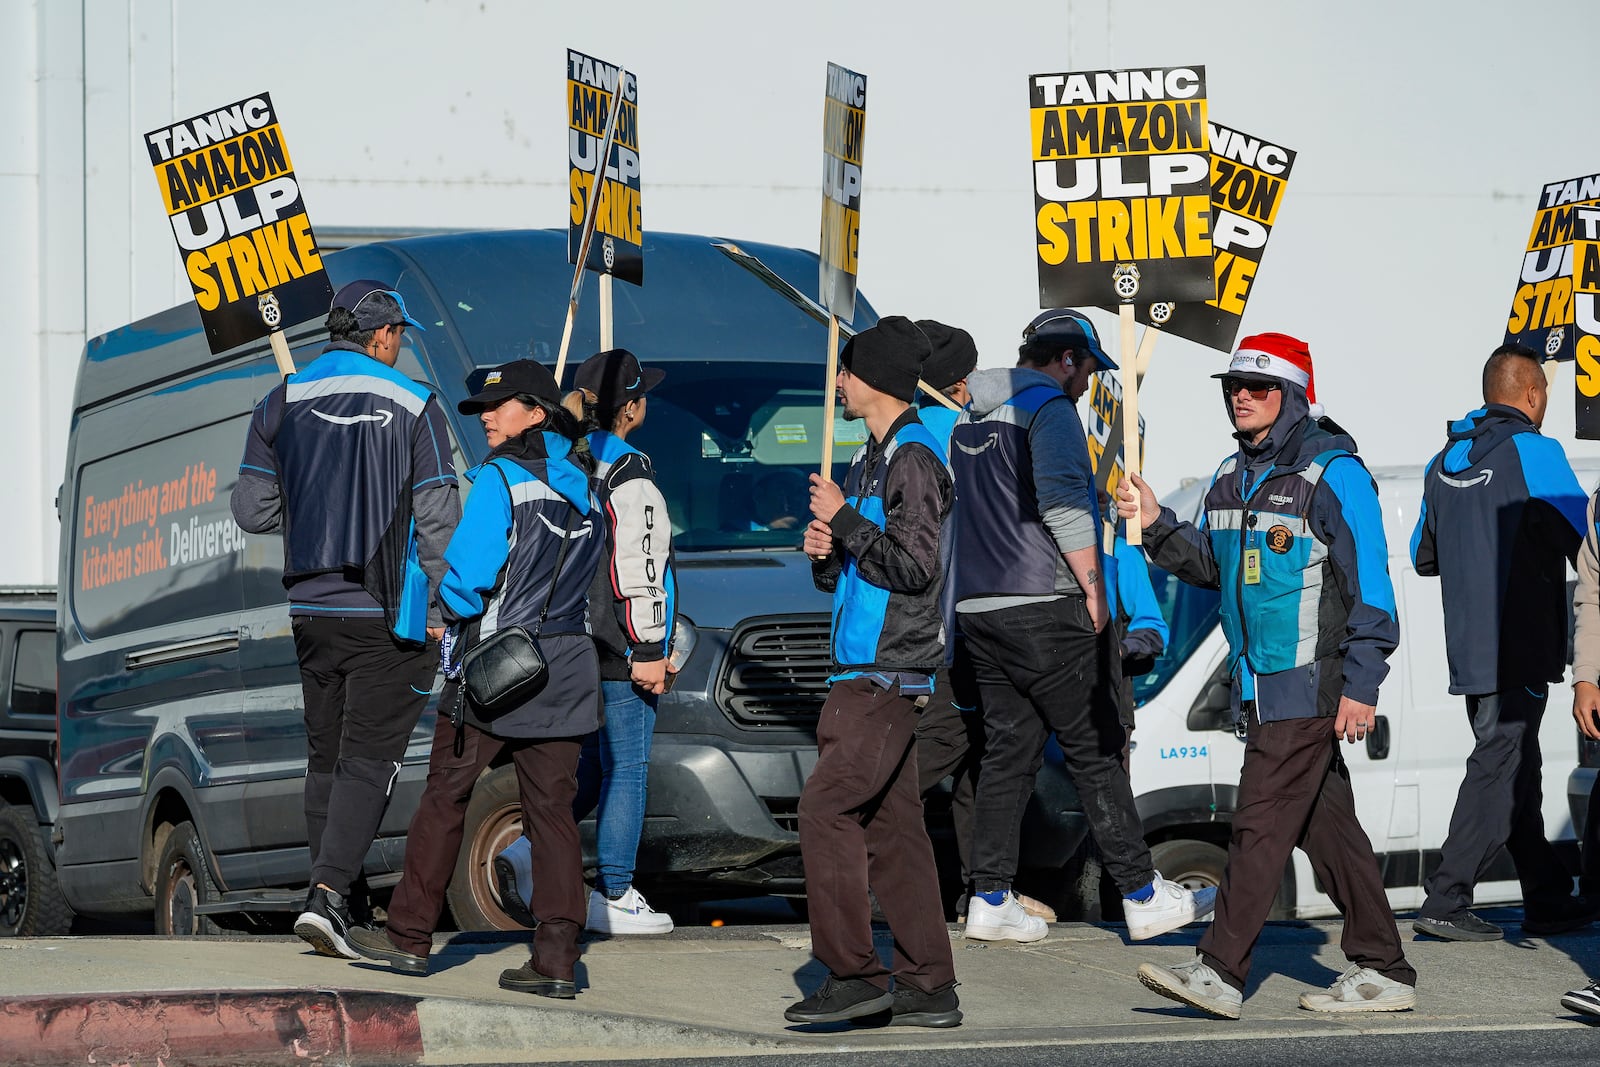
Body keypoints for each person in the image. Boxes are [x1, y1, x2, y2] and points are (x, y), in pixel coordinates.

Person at [1121, 331, 1416, 1019]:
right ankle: (1384, 965)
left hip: (1310, 680)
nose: (1243, 397)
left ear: (1293, 396)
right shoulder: (1228, 474)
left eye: (1260, 387)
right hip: (1258, 685)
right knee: (1327, 830)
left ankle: (1220, 970)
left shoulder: (1334, 470)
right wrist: (1157, 521)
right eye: (1234, 387)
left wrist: (1362, 684)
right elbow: (1210, 567)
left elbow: (1373, 587)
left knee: (1255, 823)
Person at [345, 359, 604, 1000]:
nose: (486, 416)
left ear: (535, 413)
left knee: (444, 798)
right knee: (553, 816)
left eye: (500, 405)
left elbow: (464, 583)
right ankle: (556, 959)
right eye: (482, 409)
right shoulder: (589, 490)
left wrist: (442, 615)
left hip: (494, 668)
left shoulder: (498, 480)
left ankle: (408, 938)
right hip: (569, 669)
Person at [951, 307, 1210, 945]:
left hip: (981, 607)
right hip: (1046, 601)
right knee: (1095, 750)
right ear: (1067, 359)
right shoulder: (1051, 411)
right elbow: (1064, 505)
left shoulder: (970, 419)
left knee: (1007, 753)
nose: (1089, 382)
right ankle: (1144, 893)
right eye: (1089, 368)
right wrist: (1095, 591)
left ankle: (989, 897)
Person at [230, 280, 459, 960]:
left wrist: (310, 506)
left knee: (324, 755)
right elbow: (438, 521)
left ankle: (339, 897)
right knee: (371, 759)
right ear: (381, 335)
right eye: (400, 336)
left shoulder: (280, 399)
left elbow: (249, 509)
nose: (401, 346)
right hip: (386, 610)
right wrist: (446, 612)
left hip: (309, 608)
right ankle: (328, 895)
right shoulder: (416, 403)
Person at [787, 315, 961, 1028]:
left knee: (826, 809)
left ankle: (854, 974)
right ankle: (927, 983)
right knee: (896, 832)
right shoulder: (872, 457)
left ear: (875, 379)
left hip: (885, 672)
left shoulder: (913, 457)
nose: (837, 382)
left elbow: (917, 568)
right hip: (864, 668)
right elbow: (862, 572)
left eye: (845, 371)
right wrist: (827, 550)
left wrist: (847, 524)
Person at [1411, 343, 1595, 943]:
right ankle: (1445, 897)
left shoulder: (1444, 459)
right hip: (1518, 641)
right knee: (1499, 766)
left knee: (1519, 768)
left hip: (1467, 647)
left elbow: (1423, 555)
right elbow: (1589, 548)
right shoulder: (1535, 451)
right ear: (1533, 394)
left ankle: (1545, 895)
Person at [910, 318, 1054, 923]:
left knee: (982, 761)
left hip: (934, 632)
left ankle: (985, 888)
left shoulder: (904, 435)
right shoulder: (967, 435)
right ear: (961, 383)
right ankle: (979, 889)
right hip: (971, 630)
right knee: (964, 762)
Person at [570, 348, 679, 934]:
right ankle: (614, 891)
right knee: (627, 766)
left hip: (571, 639)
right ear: (630, 408)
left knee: (591, 758)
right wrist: (648, 649)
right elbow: (638, 566)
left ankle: (530, 849)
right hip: (619, 643)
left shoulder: (567, 459)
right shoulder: (628, 471)